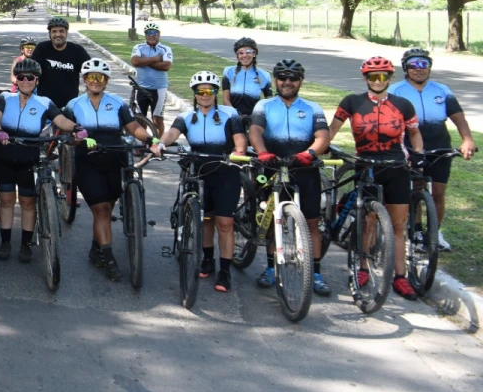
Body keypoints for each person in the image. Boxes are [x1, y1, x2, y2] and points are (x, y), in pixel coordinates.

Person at [328, 56, 424, 302]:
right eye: (373, 76)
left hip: (396, 167)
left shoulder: (403, 105)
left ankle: (400, 277)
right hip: (367, 165)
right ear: (365, 78)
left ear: (391, 78)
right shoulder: (352, 102)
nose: (378, 80)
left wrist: (419, 156)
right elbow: (331, 131)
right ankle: (363, 268)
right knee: (369, 220)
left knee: (398, 226)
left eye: (383, 76)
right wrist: (320, 150)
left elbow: (414, 134)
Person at [153, 71, 248, 294]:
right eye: (200, 91)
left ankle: (225, 271)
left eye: (210, 91)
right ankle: (208, 259)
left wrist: (240, 151)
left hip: (226, 169)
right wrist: (160, 145)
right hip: (198, 170)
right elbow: (172, 133)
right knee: (205, 218)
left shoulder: (229, 114)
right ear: (194, 94)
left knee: (224, 223)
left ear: (215, 93)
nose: (205, 95)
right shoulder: (187, 116)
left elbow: (239, 138)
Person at [62, 58, 154, 281]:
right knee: (101, 209)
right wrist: (78, 139)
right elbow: (67, 134)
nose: (96, 81)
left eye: (100, 77)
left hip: (116, 159)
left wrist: (152, 140)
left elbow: (133, 128)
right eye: (91, 77)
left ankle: (96, 249)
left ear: (106, 81)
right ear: (84, 80)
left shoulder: (118, 102)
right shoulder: (73, 105)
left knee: (108, 206)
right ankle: (109, 259)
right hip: (88, 161)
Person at [247, 59, 332, 296]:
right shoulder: (264, 105)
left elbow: (323, 135)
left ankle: (315, 272)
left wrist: (310, 153)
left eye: (293, 78)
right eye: (282, 77)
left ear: (301, 81)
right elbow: (255, 131)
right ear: (275, 80)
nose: (287, 82)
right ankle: (272, 268)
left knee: (312, 222)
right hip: (273, 165)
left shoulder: (313, 107)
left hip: (305, 167)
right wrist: (262, 152)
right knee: (277, 221)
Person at [0, 58, 77, 262]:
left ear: (37, 80)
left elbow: (60, 120)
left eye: (31, 78)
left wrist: (76, 127)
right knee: (6, 200)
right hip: (4, 155)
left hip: (29, 157)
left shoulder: (44, 102)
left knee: (28, 202)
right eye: (21, 77)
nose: (26, 81)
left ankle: (26, 244)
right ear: (16, 80)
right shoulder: (5, 97)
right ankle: (5, 241)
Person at [388, 47, 475, 251]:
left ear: (429, 67)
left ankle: (434, 232)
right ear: (406, 68)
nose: (419, 69)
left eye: (423, 64)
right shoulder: (395, 91)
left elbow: (458, 117)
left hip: (440, 146)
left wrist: (467, 139)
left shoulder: (442, 90)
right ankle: (416, 230)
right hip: (410, 147)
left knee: (438, 192)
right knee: (416, 188)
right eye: (414, 65)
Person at [30, 17, 90, 109]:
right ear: (49, 34)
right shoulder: (41, 49)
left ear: (66, 33)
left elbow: (90, 72)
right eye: (54, 31)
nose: (58, 34)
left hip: (70, 106)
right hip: (44, 105)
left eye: (61, 31)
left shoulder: (77, 51)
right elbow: (31, 73)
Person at [130, 22, 173, 135]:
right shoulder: (138, 47)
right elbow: (135, 61)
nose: (151, 35)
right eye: (148, 33)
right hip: (141, 88)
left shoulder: (165, 49)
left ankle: (158, 144)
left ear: (158, 34)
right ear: (145, 35)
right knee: (140, 119)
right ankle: (144, 144)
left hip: (159, 89)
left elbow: (166, 66)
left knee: (157, 119)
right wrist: (155, 59)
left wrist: (144, 61)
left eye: (154, 32)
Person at [222, 36, 272, 126]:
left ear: (254, 53)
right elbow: (226, 99)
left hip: (254, 119)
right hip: (233, 116)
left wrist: (258, 117)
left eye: (248, 52)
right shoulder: (228, 72)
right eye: (241, 53)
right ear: (237, 55)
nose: (245, 55)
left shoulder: (264, 75)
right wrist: (236, 116)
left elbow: (269, 101)